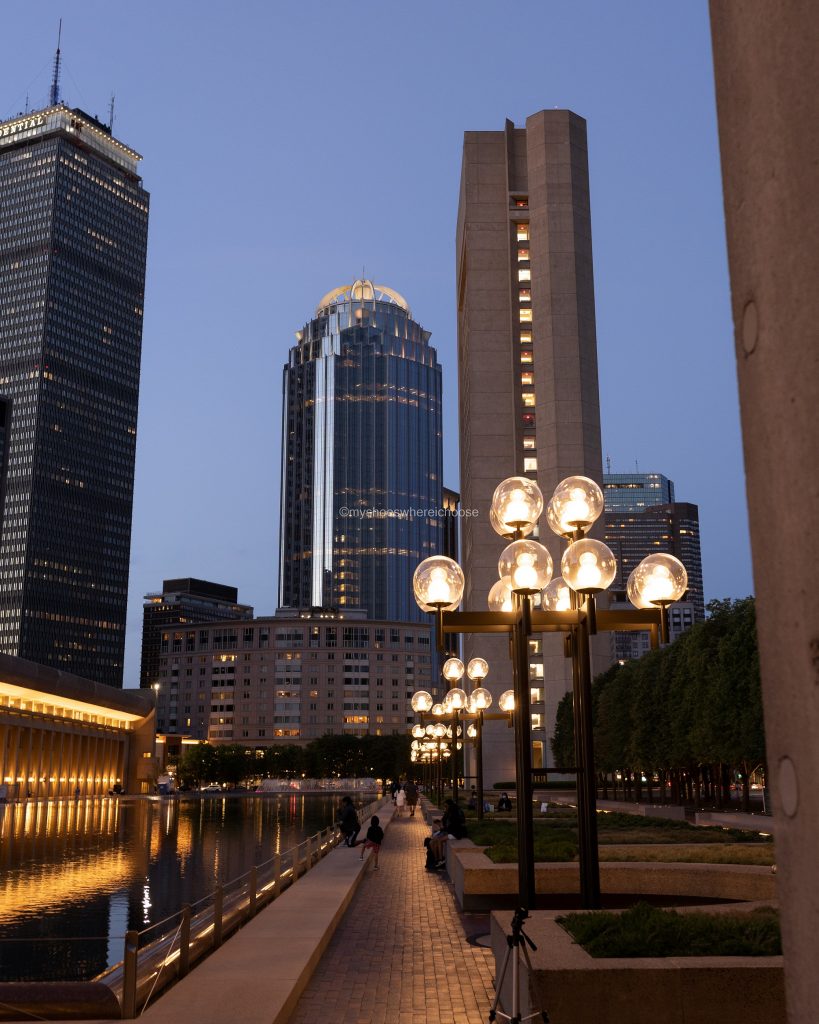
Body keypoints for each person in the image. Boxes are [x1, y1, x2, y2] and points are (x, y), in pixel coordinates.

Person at [426, 799, 467, 867]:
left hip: (456, 833)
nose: (445, 808)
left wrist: (441, 827)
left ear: (449, 806)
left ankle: (441, 859)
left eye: (445, 806)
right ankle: (437, 860)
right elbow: (445, 824)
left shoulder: (454, 814)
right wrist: (440, 825)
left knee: (439, 840)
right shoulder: (448, 813)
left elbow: (452, 827)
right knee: (432, 842)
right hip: (449, 831)